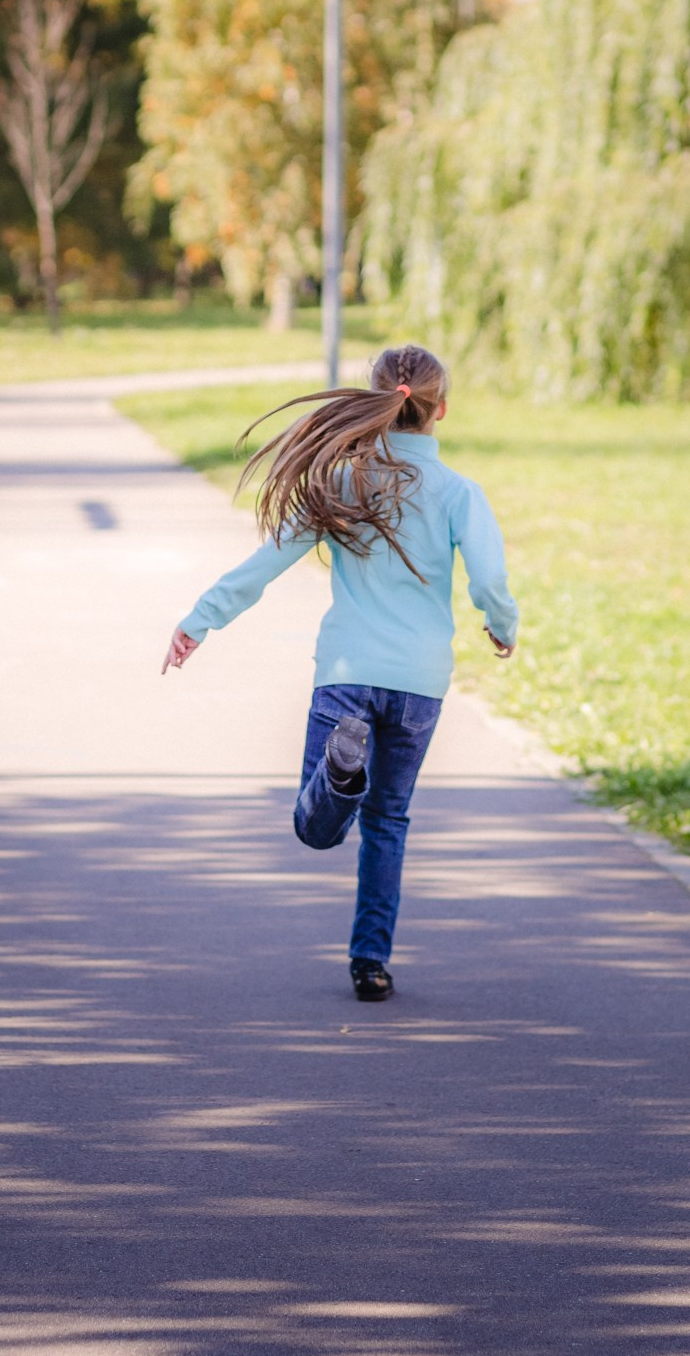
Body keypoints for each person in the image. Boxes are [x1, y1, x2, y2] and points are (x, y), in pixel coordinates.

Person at [162, 345, 519, 1003]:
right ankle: (371, 962)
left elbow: (267, 561)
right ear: (441, 409)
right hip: (419, 680)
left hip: (348, 673)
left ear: (376, 402)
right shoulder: (460, 493)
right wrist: (503, 624)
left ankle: (339, 772)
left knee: (316, 827)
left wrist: (199, 619)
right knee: (388, 820)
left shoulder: (343, 483)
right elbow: (491, 578)